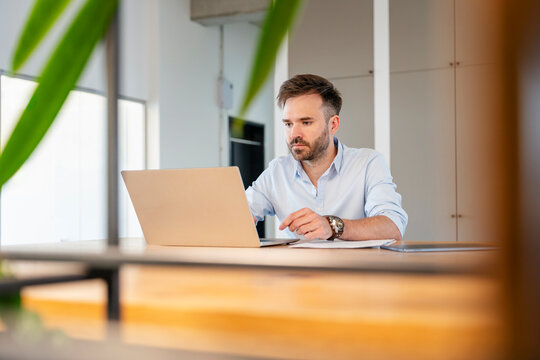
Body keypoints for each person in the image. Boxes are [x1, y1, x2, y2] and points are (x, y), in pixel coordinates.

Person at [246, 74, 407, 241]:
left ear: (333, 125)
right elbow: (239, 212)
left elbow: (393, 227)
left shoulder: (368, 163)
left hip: (354, 267)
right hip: (296, 267)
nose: (294, 134)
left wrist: (332, 226)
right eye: (288, 124)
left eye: (306, 122)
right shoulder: (277, 171)